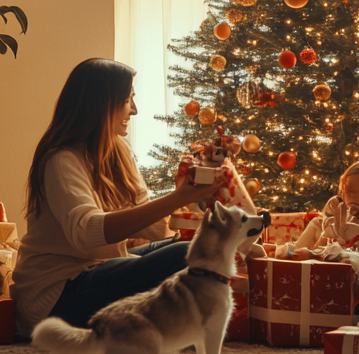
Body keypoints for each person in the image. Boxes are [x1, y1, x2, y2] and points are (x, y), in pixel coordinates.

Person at [12, 58, 220, 336]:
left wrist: (192, 197)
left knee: (194, 244)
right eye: (127, 100)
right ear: (101, 105)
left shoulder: (119, 150)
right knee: (186, 255)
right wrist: (176, 198)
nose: (134, 110)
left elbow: (157, 229)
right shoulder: (61, 159)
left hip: (100, 269)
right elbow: (86, 233)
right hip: (57, 293)